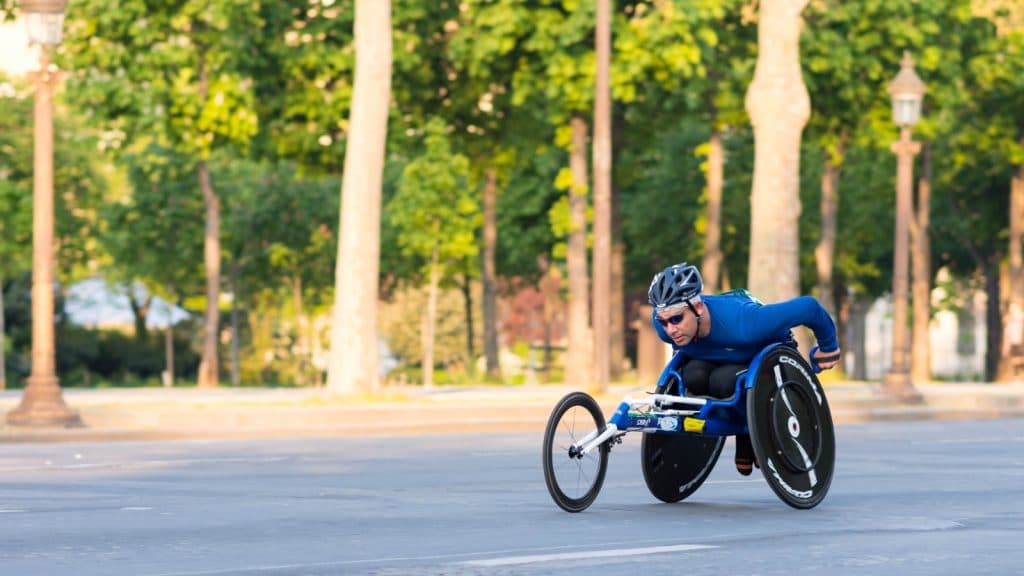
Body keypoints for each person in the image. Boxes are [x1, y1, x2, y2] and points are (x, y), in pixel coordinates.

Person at [647, 262, 841, 476]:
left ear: (698, 308)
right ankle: (736, 419)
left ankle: (747, 431)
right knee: (692, 376)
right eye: (663, 321)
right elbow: (675, 340)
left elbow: (809, 307)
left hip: (757, 352)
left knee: (723, 380)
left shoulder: (745, 324)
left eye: (676, 319)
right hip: (716, 355)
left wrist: (828, 348)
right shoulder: (665, 328)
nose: (671, 329)